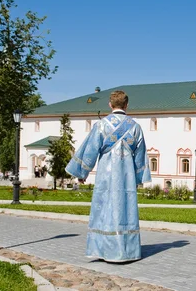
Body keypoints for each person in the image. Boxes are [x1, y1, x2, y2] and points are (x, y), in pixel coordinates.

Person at [65, 90, 151, 262]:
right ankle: (127, 251)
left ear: (110, 105)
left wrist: (82, 172)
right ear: (126, 105)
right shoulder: (135, 127)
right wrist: (139, 178)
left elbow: (90, 150)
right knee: (125, 210)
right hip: (127, 177)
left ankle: (103, 250)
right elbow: (140, 156)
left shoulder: (102, 125)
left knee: (103, 210)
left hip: (106, 175)